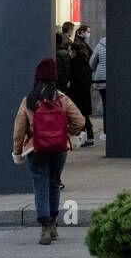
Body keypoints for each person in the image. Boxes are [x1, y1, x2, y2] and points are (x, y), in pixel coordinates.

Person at [12, 58, 87, 245]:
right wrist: (65, 133)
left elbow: (19, 129)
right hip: (58, 148)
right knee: (54, 183)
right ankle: (53, 224)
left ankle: (44, 226)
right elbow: (80, 121)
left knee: (40, 184)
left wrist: (17, 151)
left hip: (35, 148)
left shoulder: (28, 100)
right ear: (55, 79)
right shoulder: (62, 99)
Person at [67, 41, 96, 146]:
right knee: (85, 115)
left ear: (74, 50)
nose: (69, 52)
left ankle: (82, 136)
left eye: (70, 50)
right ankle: (90, 137)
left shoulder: (75, 62)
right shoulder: (85, 60)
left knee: (79, 116)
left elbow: (73, 77)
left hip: (76, 92)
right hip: (84, 92)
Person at [89, 35, 107, 121]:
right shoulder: (119, 45)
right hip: (116, 80)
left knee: (105, 104)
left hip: (102, 79)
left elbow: (91, 63)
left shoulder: (100, 45)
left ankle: (106, 132)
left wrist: (96, 69)